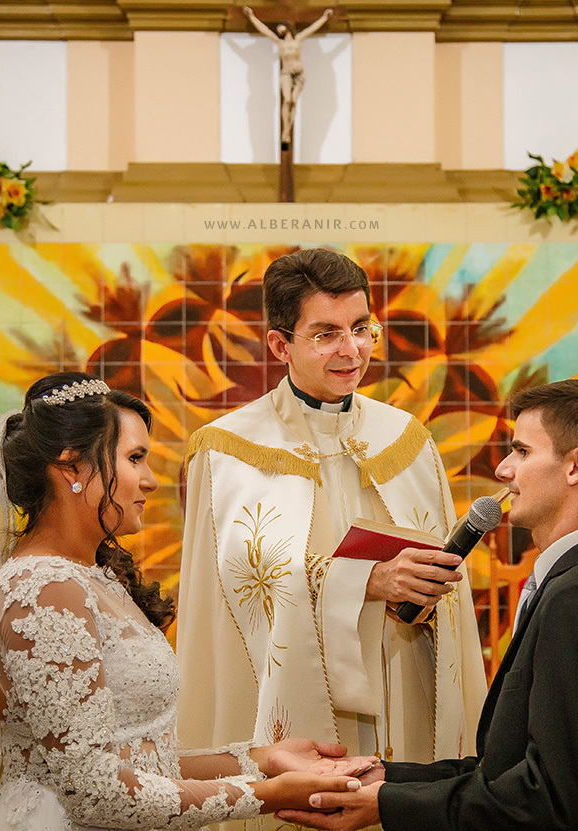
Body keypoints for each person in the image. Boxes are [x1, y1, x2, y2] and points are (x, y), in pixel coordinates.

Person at [0, 371, 373, 831]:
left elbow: (135, 758)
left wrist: (260, 759)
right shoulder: (44, 591)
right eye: (135, 458)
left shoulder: (91, 576)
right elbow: (94, 789)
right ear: (71, 468)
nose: (149, 480)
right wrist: (268, 795)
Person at [279, 378, 578, 831]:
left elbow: (546, 800)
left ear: (577, 465)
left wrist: (387, 807)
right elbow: (504, 770)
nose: (503, 470)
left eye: (521, 451)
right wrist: (385, 777)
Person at [176, 248, 487, 802]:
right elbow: (234, 589)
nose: (352, 350)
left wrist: (425, 585)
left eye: (361, 328)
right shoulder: (227, 450)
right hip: (294, 718)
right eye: (325, 334)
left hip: (402, 685)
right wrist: (366, 582)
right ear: (280, 345)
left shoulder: (408, 440)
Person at [242, 5, 334, 145]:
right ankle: (285, 132)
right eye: (278, 29)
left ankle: (287, 131)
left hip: (299, 74)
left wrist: (324, 17)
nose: (279, 29)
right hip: (286, 73)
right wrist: (252, 17)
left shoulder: (298, 39)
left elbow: (312, 29)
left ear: (286, 27)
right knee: (287, 100)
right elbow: (264, 30)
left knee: (294, 102)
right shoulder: (279, 43)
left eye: (281, 27)